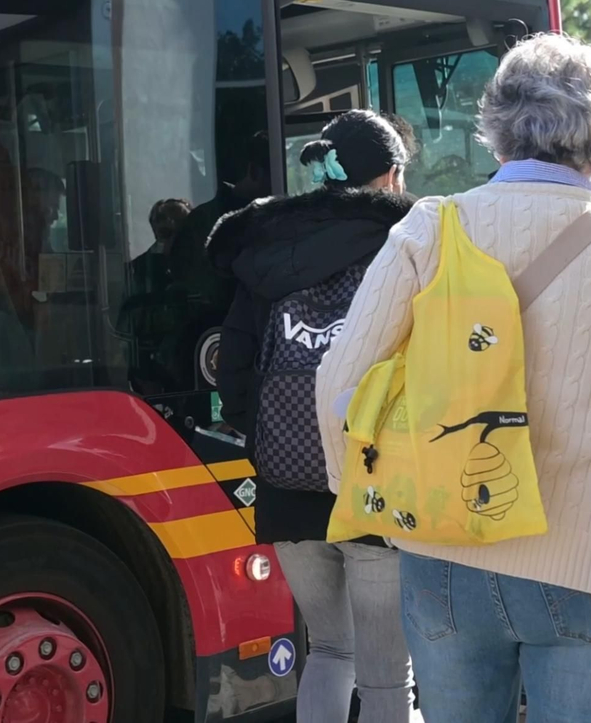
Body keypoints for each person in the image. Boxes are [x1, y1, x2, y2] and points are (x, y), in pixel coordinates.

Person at [316, 33, 591, 723]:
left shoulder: (430, 227)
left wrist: (366, 490)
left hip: (445, 545)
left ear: (496, 120)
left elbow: (342, 382)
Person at [210, 110, 417, 723]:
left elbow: (234, 372)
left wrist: (271, 439)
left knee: (328, 650)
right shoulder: (404, 241)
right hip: (375, 483)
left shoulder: (266, 246)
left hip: (287, 487)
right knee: (386, 676)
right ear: (391, 174)